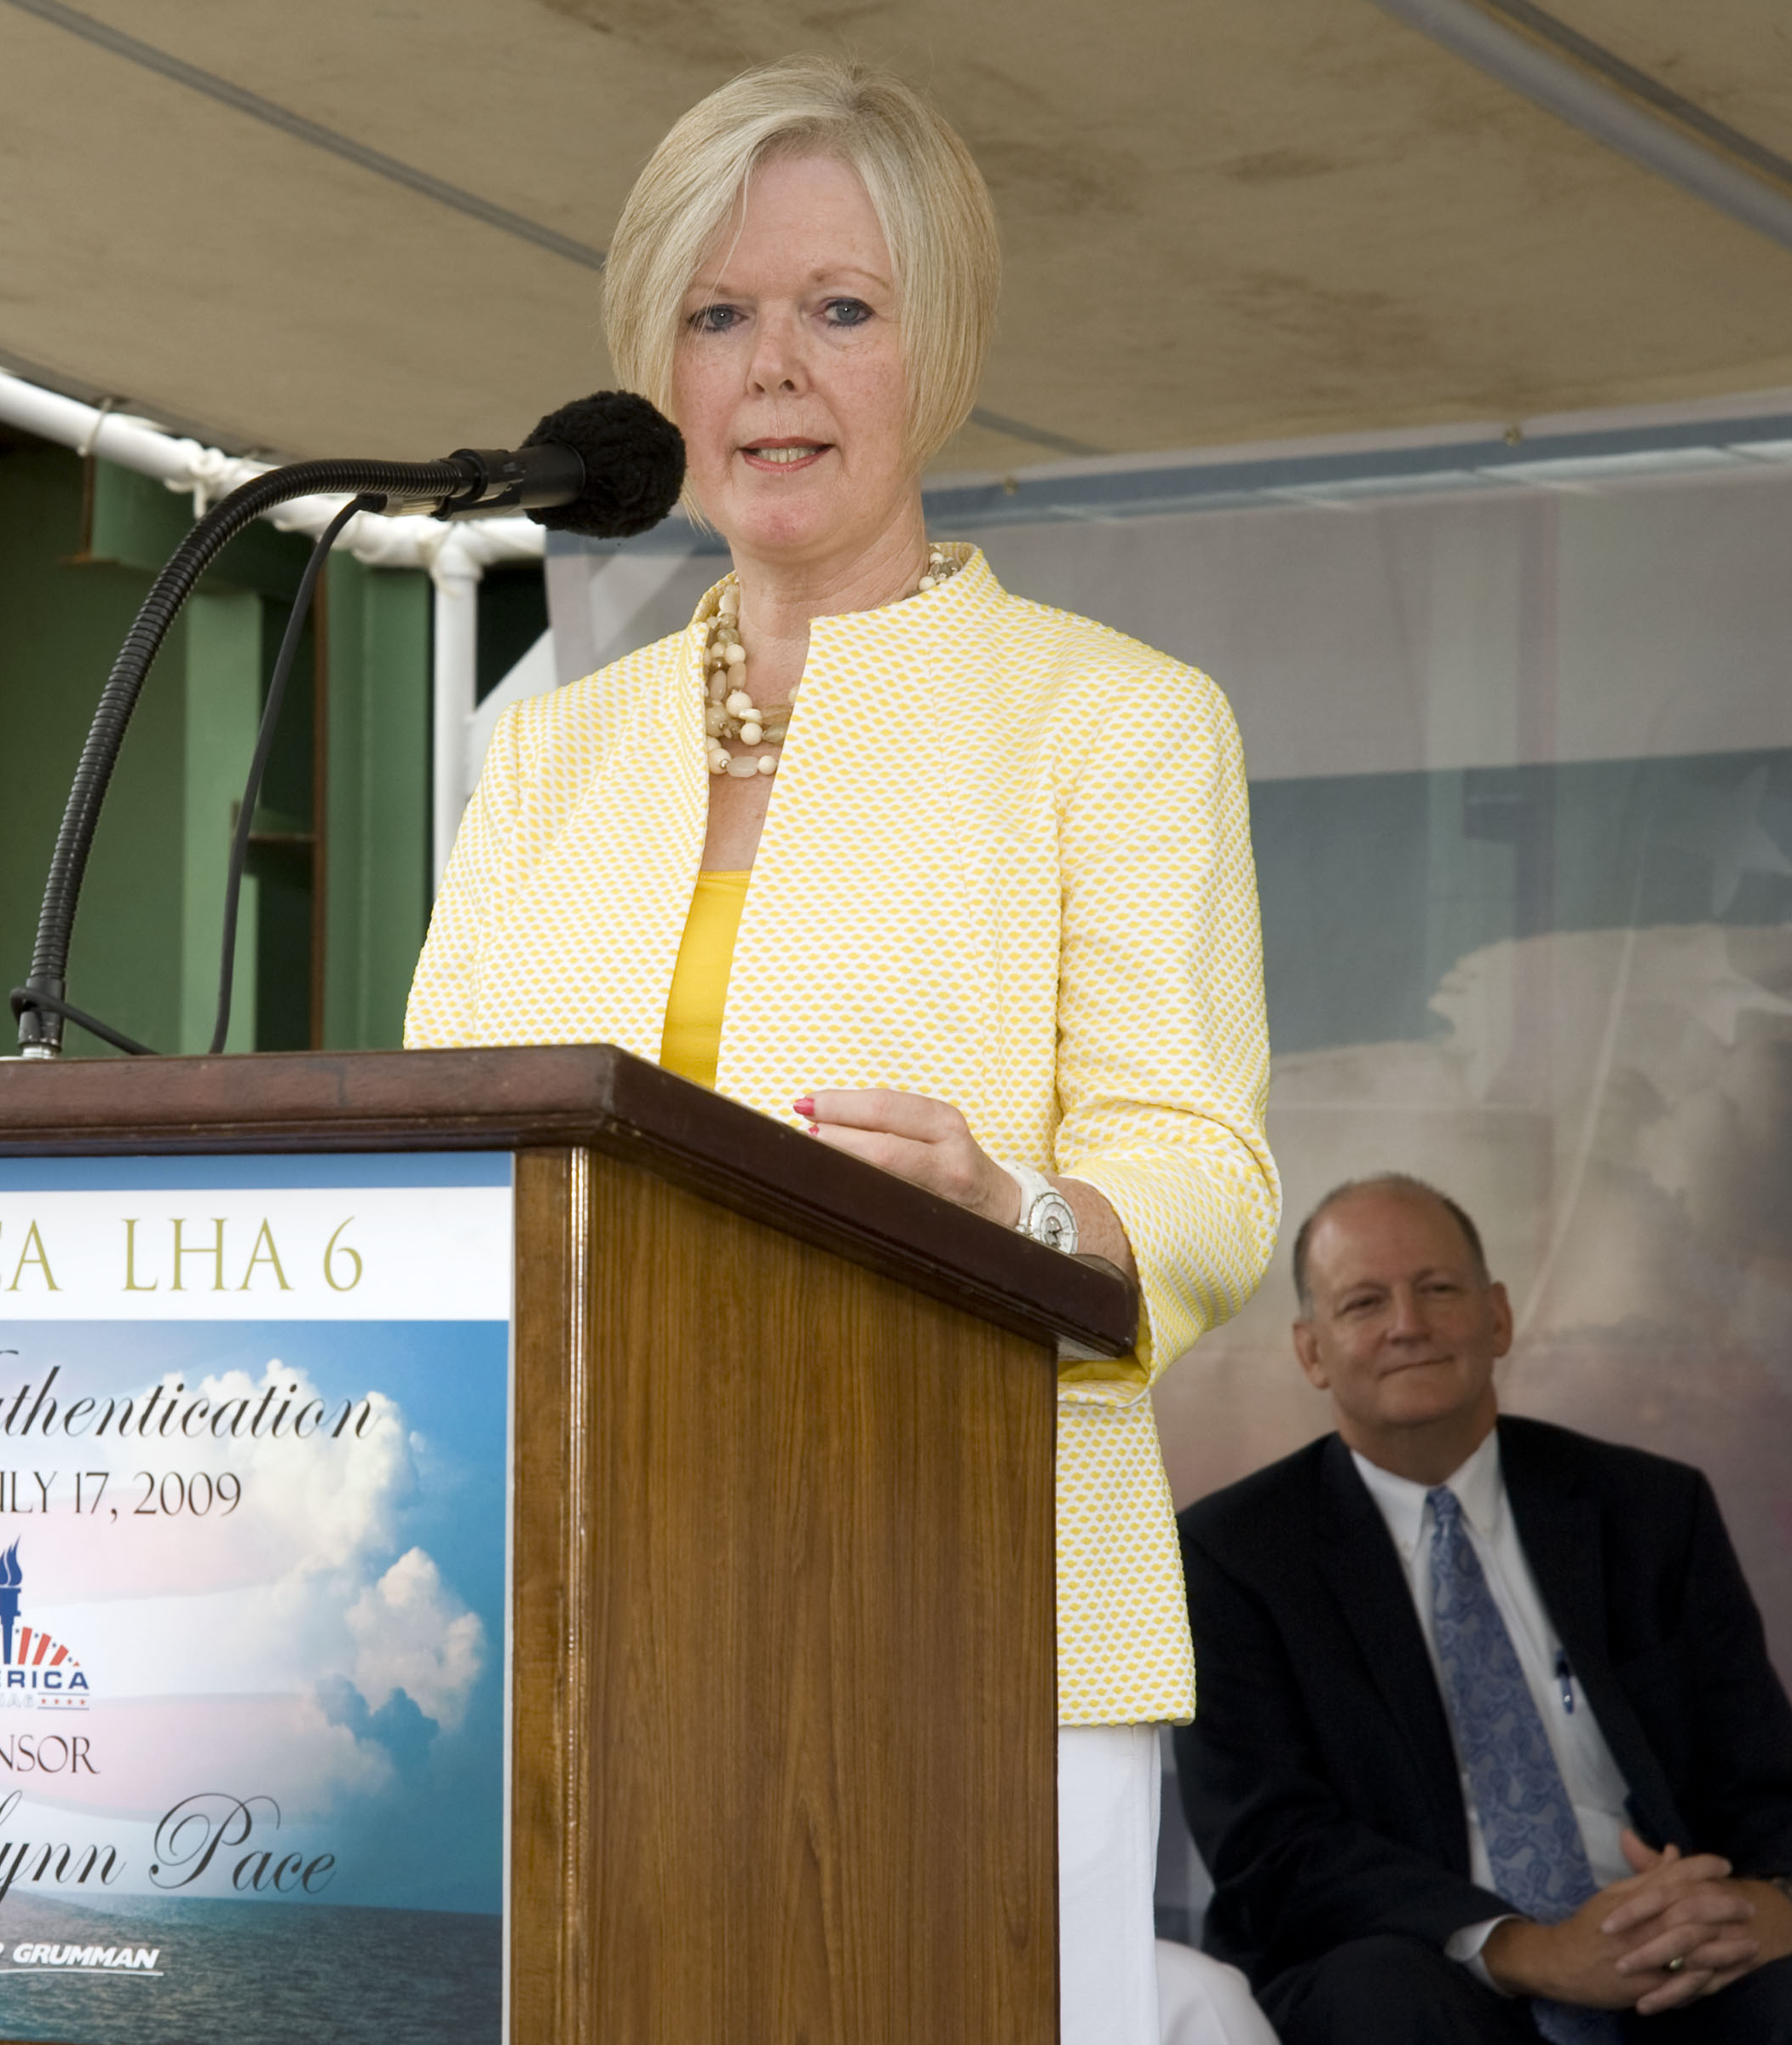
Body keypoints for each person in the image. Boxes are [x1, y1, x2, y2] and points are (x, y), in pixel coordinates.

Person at [404, 55, 1280, 2042]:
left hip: (976, 1607)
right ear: (657, 370)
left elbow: (1207, 1180)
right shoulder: (542, 751)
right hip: (577, 1610)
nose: (773, 369)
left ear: (938, 345)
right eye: (718, 314)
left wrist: (1010, 1209)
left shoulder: (1116, 723)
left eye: (841, 308)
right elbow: (451, 1158)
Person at [1174, 1174, 1792, 2042]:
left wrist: (1766, 1901)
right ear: (1312, 1352)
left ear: (1496, 1318)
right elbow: (1271, 1850)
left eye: (1437, 1289)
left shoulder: (1653, 1510)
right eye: (1363, 1302)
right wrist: (1533, 1950)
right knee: (1387, 2001)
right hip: (1424, 1961)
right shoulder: (1232, 1556)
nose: (1408, 1324)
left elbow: (1760, 1777)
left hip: (1670, 1949)